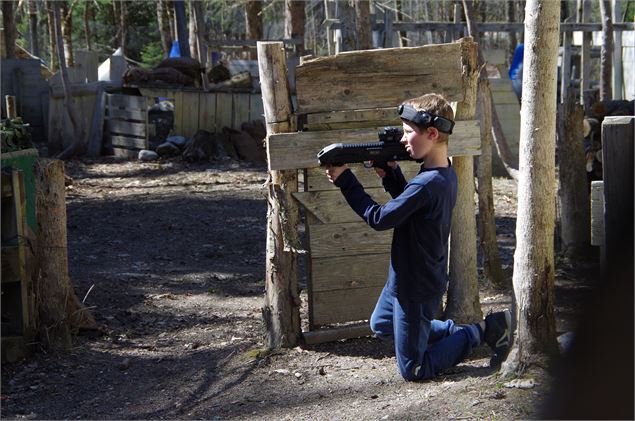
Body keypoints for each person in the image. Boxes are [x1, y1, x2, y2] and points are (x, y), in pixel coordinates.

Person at [325, 93, 512, 381]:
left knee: (415, 368)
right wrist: (391, 176)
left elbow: (380, 218)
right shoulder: (442, 173)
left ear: (433, 133)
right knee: (382, 323)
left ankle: (482, 331)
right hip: (408, 276)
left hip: (415, 287)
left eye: (409, 132)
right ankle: (454, 332)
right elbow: (414, 209)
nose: (403, 139)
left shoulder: (427, 183)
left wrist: (346, 181)